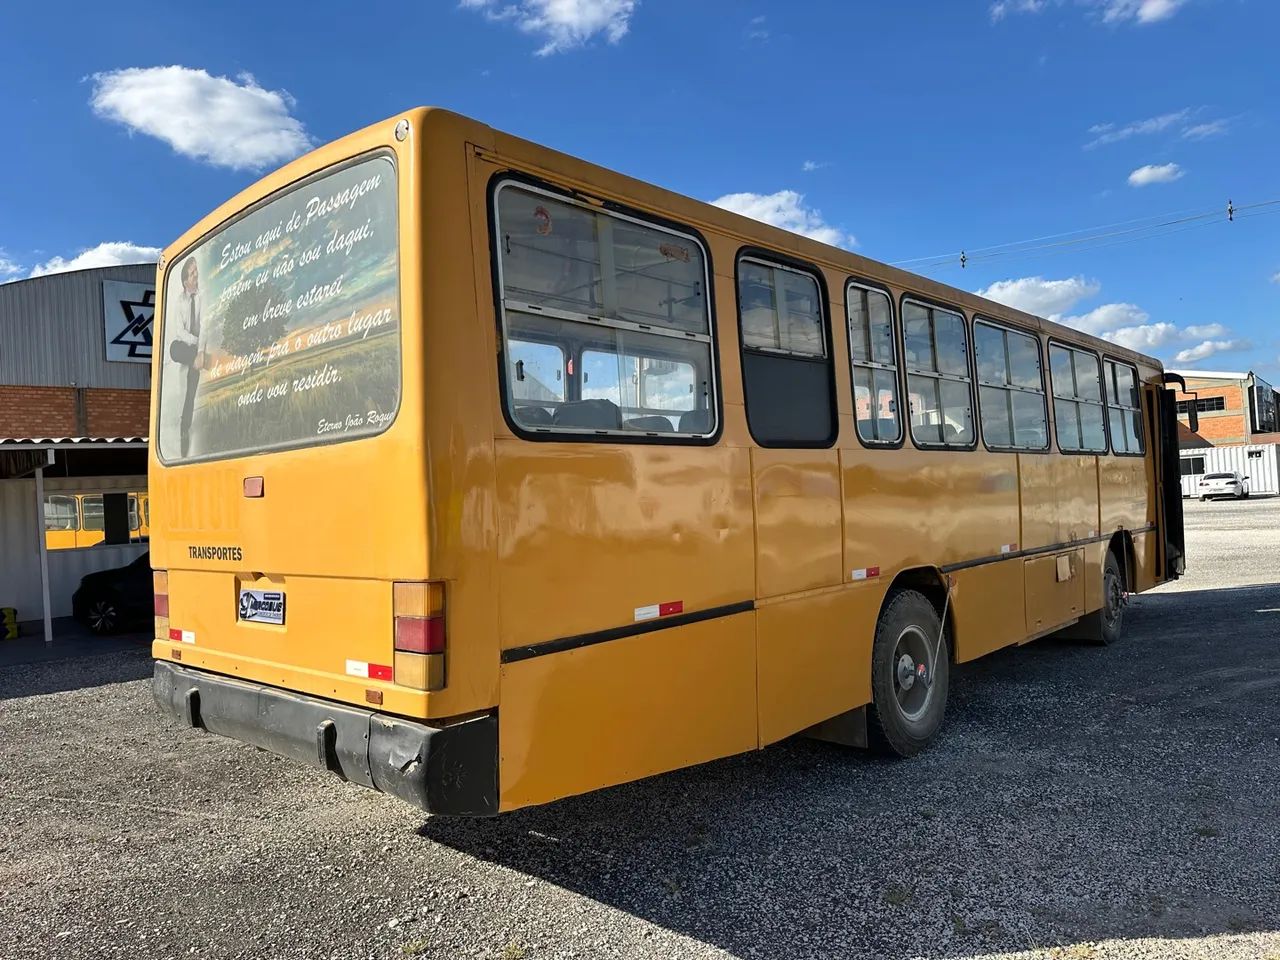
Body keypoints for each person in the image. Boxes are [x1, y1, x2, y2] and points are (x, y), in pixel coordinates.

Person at [162, 257, 208, 458]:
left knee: (191, 388)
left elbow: (205, 324)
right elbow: (179, 331)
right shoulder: (179, 301)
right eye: (192, 273)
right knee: (173, 347)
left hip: (199, 349)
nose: (196, 275)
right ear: (185, 281)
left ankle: (184, 429)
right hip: (187, 347)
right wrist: (194, 349)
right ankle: (201, 360)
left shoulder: (203, 297)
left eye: (196, 271)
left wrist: (200, 350)